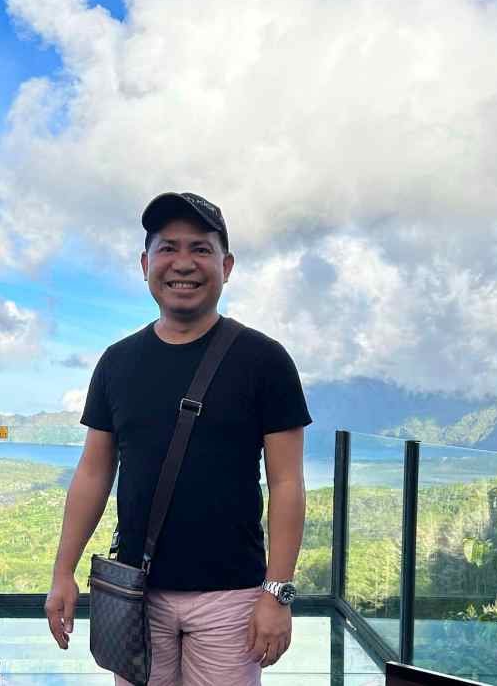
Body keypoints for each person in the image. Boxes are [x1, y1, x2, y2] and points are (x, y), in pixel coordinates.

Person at [44, 191, 312, 685]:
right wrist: (64, 571)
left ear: (226, 266)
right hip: (136, 593)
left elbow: (287, 483)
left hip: (231, 597)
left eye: (201, 249)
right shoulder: (117, 362)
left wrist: (277, 593)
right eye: (168, 248)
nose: (183, 263)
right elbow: (94, 473)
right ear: (145, 264)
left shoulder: (264, 360)